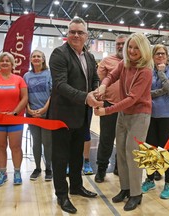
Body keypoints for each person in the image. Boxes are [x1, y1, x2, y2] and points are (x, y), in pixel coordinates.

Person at [48, 17, 101, 214]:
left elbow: (94, 78)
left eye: (80, 32)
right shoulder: (59, 54)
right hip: (62, 116)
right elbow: (60, 85)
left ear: (86, 36)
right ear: (67, 34)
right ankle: (62, 194)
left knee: (77, 155)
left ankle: (76, 186)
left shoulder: (89, 56)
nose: (76, 35)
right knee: (60, 158)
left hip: (82, 115)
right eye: (72, 32)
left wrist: (96, 91)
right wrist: (85, 97)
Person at [95, 32, 153, 211]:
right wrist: (104, 84)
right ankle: (125, 189)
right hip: (124, 114)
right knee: (120, 151)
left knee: (133, 154)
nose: (132, 50)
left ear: (143, 50)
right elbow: (111, 76)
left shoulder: (146, 71)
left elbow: (132, 99)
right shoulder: (124, 64)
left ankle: (136, 194)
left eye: (136, 47)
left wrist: (106, 110)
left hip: (139, 115)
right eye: (130, 46)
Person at [0, 52, 28, 187]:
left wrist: (15, 113)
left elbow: (25, 98)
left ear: (12, 64)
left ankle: (17, 172)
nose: (4, 63)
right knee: (0, 147)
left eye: (7, 61)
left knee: (16, 147)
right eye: (2, 61)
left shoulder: (19, 79)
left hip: (15, 120)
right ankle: (3, 173)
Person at [141, 44, 169, 199]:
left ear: (167, 56)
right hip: (150, 116)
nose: (160, 56)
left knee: (166, 151)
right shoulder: (147, 72)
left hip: (168, 117)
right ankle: (150, 180)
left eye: (163, 54)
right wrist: (160, 91)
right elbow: (144, 92)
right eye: (157, 54)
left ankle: (168, 183)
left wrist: (162, 74)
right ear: (153, 56)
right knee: (150, 150)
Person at [95, 34, 127, 183]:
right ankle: (101, 168)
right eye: (118, 44)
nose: (120, 46)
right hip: (110, 105)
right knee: (106, 139)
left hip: (128, 107)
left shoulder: (134, 61)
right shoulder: (107, 61)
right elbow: (100, 81)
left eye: (123, 43)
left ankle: (119, 167)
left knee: (124, 140)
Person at [23, 50, 53, 181]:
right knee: (36, 142)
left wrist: (44, 109)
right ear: (30, 59)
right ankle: (37, 168)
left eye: (38, 56)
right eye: (33, 56)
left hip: (47, 114)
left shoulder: (49, 73)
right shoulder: (26, 76)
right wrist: (28, 109)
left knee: (47, 142)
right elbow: (24, 95)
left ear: (43, 59)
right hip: (32, 115)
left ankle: (48, 168)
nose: (36, 58)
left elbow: (53, 94)